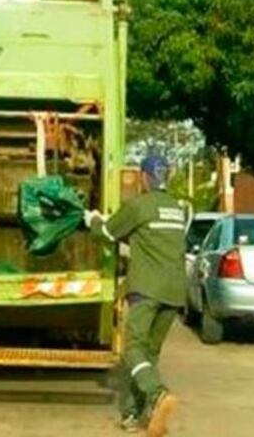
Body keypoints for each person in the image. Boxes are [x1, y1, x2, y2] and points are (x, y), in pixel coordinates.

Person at [84, 154, 187, 437]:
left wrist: (92, 220)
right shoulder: (177, 209)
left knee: (132, 349)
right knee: (148, 354)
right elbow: (149, 239)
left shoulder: (139, 205)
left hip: (146, 290)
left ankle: (157, 393)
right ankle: (135, 415)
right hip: (174, 293)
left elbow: (106, 233)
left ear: (144, 177)